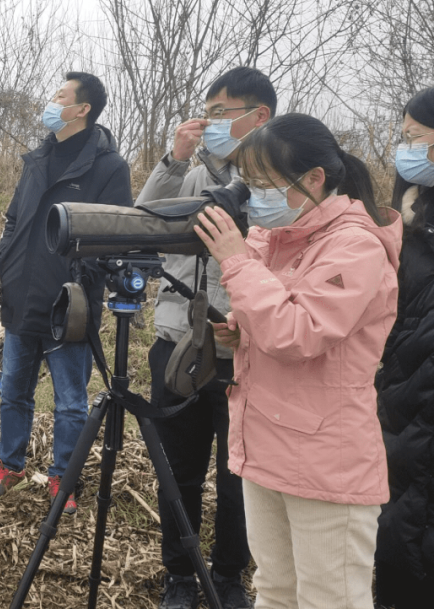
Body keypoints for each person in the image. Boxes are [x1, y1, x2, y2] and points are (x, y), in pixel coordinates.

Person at [194, 113, 401, 609]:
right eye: (250, 183)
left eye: (267, 184)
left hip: (326, 460)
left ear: (314, 179)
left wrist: (235, 261)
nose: (256, 196)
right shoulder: (275, 237)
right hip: (266, 445)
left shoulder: (354, 245)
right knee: (275, 591)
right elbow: (275, 316)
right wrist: (241, 331)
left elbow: (297, 332)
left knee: (331, 599)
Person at [136, 66, 274, 608]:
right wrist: (174, 158)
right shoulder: (193, 175)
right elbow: (143, 219)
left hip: (245, 351)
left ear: (258, 116)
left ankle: (229, 575)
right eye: (207, 112)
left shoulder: (280, 186)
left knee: (240, 475)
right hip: (178, 345)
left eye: (221, 113)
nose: (210, 122)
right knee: (179, 471)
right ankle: (180, 574)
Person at [0, 71, 132, 514]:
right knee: (13, 392)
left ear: (82, 109)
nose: (50, 100)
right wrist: (5, 263)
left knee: (69, 402)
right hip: (21, 296)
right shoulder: (36, 159)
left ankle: (63, 477)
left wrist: (79, 280)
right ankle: (10, 466)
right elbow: (14, 219)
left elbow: (116, 234)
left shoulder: (108, 167)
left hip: (70, 305)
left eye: (59, 95)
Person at [375, 82, 434, 609]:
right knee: (400, 550)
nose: (404, 148)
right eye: (402, 136)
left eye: (415, 136)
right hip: (404, 419)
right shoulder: (408, 224)